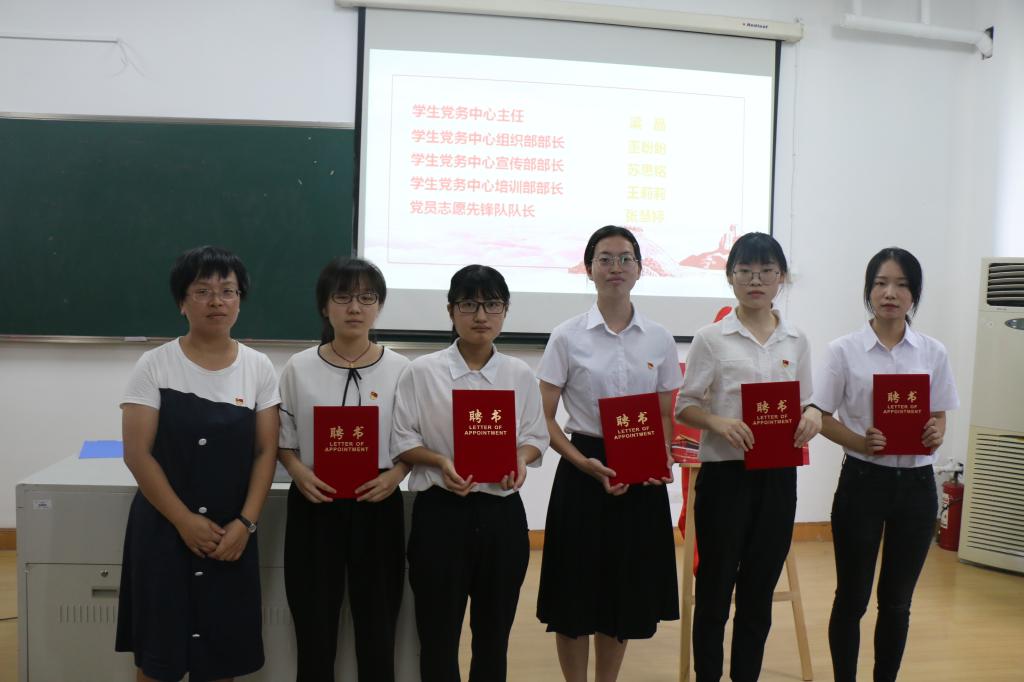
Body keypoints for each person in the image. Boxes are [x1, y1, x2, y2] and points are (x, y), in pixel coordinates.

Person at [115, 246, 280, 682]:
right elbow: (137, 453)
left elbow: (266, 451)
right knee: (158, 661)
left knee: (221, 658)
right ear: (182, 302)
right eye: (202, 291)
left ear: (240, 300)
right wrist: (184, 520)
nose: (216, 301)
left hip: (230, 533)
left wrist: (246, 524)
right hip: (164, 528)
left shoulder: (259, 368)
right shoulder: (154, 364)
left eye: (228, 291)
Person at [537, 225, 682, 682]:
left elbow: (664, 414)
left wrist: (663, 458)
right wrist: (582, 463)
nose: (615, 267)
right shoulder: (567, 336)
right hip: (583, 466)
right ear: (589, 269)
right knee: (573, 595)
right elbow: (544, 418)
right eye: (605, 258)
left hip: (639, 471)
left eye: (625, 258)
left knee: (622, 593)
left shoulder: (658, 337)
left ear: (639, 269)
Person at [675, 231, 820, 682]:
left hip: (778, 477)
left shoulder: (796, 339)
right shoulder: (710, 338)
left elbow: (809, 401)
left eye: (766, 272)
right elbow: (685, 406)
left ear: (782, 278)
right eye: (745, 272)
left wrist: (812, 416)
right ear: (730, 277)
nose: (756, 280)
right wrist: (719, 423)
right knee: (715, 592)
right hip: (725, 477)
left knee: (758, 593)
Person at [392, 264, 548, 682]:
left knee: (493, 637)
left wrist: (520, 459)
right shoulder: (421, 372)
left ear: (505, 310)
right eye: (468, 305)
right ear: (451, 311)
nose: (481, 315)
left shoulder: (519, 374)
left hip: (501, 515)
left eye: (492, 305)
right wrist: (440, 462)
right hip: (441, 514)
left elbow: (536, 436)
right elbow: (403, 439)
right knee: (437, 636)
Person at [813, 247, 958, 682]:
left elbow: (939, 414)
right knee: (852, 598)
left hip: (916, 486)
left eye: (901, 285)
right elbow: (820, 415)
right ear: (868, 290)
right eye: (880, 283)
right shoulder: (843, 350)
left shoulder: (932, 352)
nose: (890, 293)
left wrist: (936, 432)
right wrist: (860, 441)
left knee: (897, 602)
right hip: (863, 482)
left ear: (914, 295)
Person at [277, 257, 410, 682]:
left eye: (367, 298)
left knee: (378, 623)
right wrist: (298, 471)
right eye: (343, 297)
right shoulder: (299, 366)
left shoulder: (402, 369)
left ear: (379, 306)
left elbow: (413, 439)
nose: (355, 307)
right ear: (324, 306)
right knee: (314, 625)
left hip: (379, 504)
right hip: (316, 503)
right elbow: (284, 439)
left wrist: (395, 475)